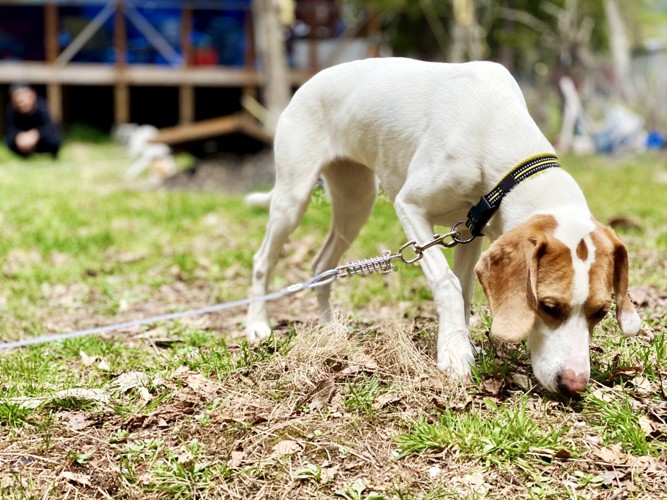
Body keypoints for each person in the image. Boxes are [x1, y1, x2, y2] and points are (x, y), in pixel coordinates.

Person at [5, 83, 62, 158]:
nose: (22, 103)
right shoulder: (12, 111)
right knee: (9, 141)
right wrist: (18, 137)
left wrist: (36, 134)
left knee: (55, 139)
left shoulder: (42, 107)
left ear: (32, 94)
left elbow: (51, 128)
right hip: (22, 143)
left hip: (41, 141)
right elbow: (10, 131)